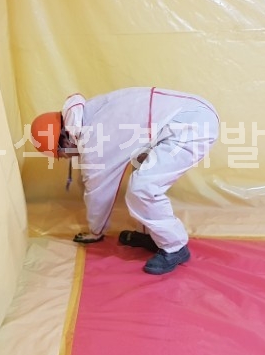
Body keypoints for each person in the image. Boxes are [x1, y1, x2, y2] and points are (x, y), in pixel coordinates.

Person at [30, 87, 219, 275]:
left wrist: (96, 231)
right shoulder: (88, 113)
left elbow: (99, 191)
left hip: (192, 126)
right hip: (183, 117)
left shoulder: (93, 138)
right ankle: (151, 235)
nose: (67, 158)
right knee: (141, 170)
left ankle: (175, 246)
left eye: (62, 155)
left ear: (64, 141)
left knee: (143, 188)